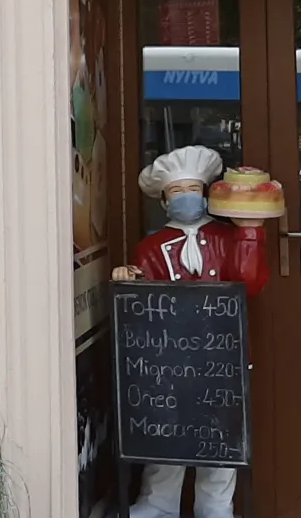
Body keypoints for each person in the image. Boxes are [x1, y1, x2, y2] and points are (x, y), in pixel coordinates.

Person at [114, 145, 267, 518]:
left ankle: (216, 506)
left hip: (222, 356)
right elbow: (145, 304)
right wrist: (130, 280)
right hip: (169, 359)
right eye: (177, 191)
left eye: (193, 189)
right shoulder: (150, 247)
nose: (186, 197)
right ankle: (158, 502)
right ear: (164, 200)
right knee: (167, 428)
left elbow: (249, 283)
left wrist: (250, 232)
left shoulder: (228, 238)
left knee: (221, 434)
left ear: (206, 193)